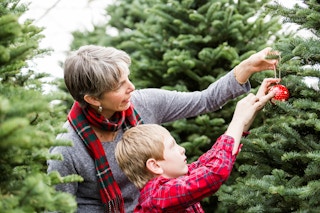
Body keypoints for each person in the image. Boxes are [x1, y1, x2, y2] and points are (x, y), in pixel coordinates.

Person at [47, 44, 279, 213]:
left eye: (128, 78)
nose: (132, 87)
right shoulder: (67, 149)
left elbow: (204, 100)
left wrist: (247, 67)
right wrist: (237, 123)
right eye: (120, 85)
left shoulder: (143, 103)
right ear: (93, 99)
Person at [115, 78, 279, 212]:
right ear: (155, 165)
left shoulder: (176, 179)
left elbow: (211, 160)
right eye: (173, 146)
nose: (182, 149)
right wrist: (237, 119)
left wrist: (251, 110)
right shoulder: (159, 197)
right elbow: (215, 172)